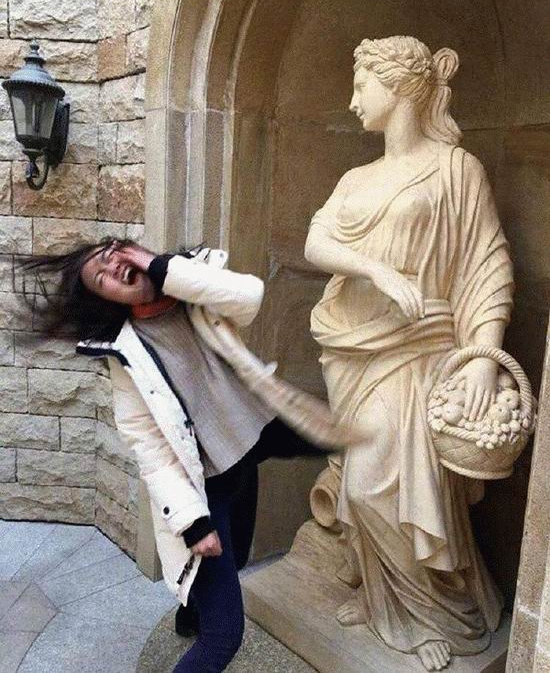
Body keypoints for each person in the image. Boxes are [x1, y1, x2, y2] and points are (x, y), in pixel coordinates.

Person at [22, 239, 363, 673]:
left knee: (238, 557)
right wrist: (194, 525)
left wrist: (162, 268)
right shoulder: (128, 356)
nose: (113, 270)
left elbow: (249, 296)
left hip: (248, 448)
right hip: (206, 488)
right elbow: (151, 450)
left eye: (113, 256)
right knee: (224, 636)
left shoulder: (196, 287)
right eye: (101, 279)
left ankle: (189, 615)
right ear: (106, 301)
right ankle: (197, 615)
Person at [304, 36, 514, 672]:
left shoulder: (456, 170)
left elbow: (488, 263)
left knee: (385, 488)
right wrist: (376, 270)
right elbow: (316, 240)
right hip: (353, 349)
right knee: (363, 485)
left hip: (421, 351)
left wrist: (484, 357)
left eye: (360, 86)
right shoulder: (356, 177)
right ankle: (380, 599)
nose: (352, 101)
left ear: (397, 89)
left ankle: (433, 614)